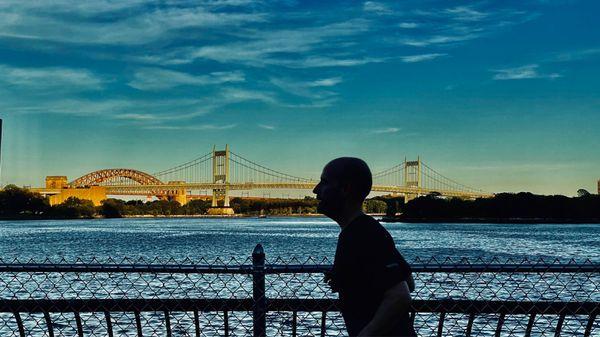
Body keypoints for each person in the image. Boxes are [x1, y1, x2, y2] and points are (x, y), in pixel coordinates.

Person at [313, 157, 416, 337]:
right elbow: (408, 281)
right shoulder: (369, 229)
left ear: (345, 189)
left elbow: (400, 296)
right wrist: (352, 277)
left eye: (324, 182)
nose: (315, 190)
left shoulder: (361, 234)